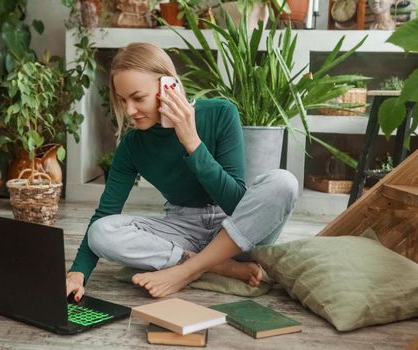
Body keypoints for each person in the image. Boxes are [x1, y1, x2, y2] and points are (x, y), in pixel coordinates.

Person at [65, 42, 298, 300]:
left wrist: (191, 143)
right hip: (182, 232)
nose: (129, 111)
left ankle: (186, 270)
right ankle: (215, 266)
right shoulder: (132, 146)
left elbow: (235, 204)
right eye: (123, 100)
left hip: (237, 231)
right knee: (101, 231)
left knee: (283, 182)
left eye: (138, 98)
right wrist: (77, 273)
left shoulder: (221, 113)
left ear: (169, 86)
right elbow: (105, 213)